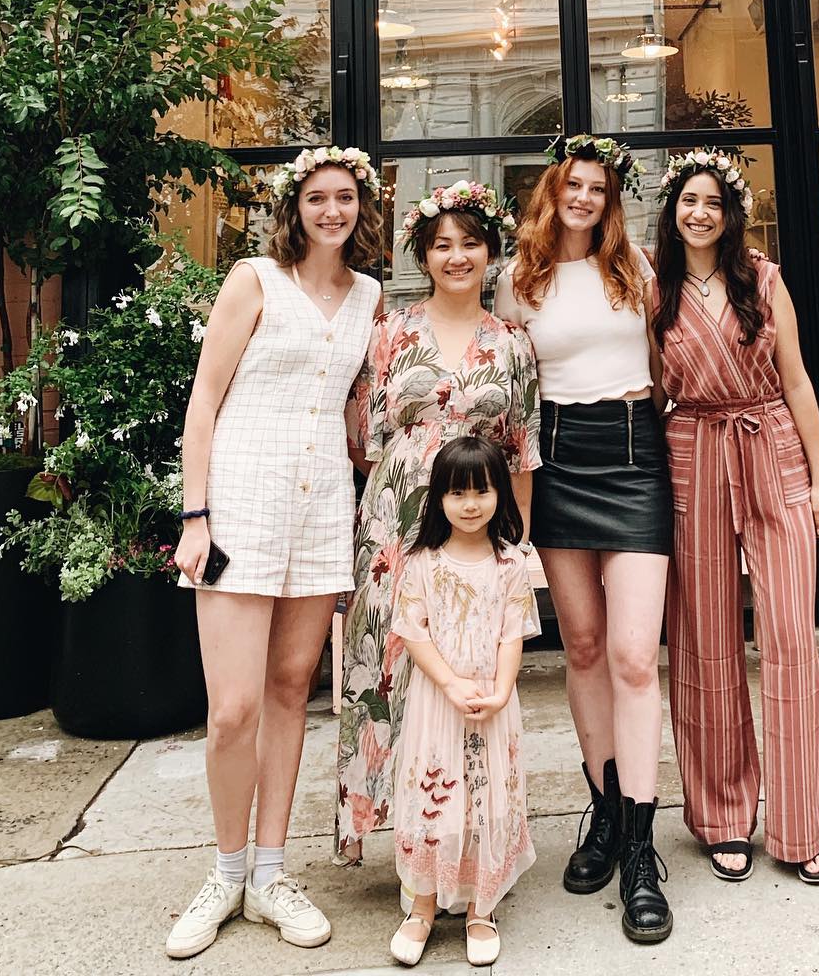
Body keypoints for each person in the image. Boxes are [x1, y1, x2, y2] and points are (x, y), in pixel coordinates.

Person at [167, 145, 385, 961]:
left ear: (362, 210)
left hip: (322, 505)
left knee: (293, 688)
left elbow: (362, 413)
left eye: (346, 199)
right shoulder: (254, 280)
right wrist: (197, 516)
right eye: (317, 199)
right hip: (241, 508)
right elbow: (203, 401)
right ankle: (224, 873)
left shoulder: (367, 295)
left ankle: (270, 872)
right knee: (233, 709)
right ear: (294, 208)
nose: (332, 212)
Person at [494, 132, 673, 946]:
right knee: (588, 650)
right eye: (575, 184)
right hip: (558, 459)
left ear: (612, 199)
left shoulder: (634, 270)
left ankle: (640, 850)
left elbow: (674, 363)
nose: (586, 198)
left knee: (636, 655)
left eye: (600, 188)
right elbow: (503, 385)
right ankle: (604, 815)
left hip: (635, 458)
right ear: (553, 190)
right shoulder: (518, 280)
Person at [651, 148, 819, 887]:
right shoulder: (653, 287)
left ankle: (804, 822)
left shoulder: (762, 277)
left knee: (791, 633)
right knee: (705, 640)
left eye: (712, 202)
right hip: (692, 446)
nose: (698, 212)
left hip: (773, 446)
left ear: (730, 214)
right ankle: (723, 817)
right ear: (672, 210)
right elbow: (645, 386)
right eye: (687, 200)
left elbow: (796, 378)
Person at [335, 181, 539, 866]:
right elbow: (369, 436)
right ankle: (387, 822)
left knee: (468, 663)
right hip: (398, 517)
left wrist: (519, 548)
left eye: (470, 243)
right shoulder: (392, 332)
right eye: (442, 246)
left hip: (481, 524)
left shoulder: (511, 342)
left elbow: (522, 450)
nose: (457, 257)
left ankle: (464, 828)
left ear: (491, 252)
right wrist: (385, 525)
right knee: (389, 662)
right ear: (424, 256)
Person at [387, 436, 541, 969]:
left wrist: (500, 691)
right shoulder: (424, 563)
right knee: (435, 795)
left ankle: (481, 907)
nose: (471, 504)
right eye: (457, 493)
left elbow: (511, 634)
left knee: (486, 796)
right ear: (439, 499)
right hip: (438, 703)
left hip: (492, 707)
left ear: (501, 493)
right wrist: (452, 684)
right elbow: (414, 632)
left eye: (483, 490)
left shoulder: (511, 564)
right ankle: (423, 906)